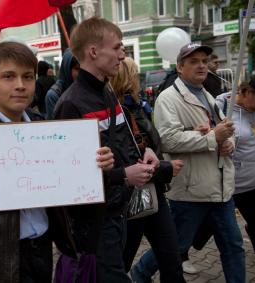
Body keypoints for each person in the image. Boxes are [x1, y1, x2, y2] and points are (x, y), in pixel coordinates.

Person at [0, 41, 114, 282]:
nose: (20, 85)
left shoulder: (42, 126)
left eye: (27, 77)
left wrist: (96, 165)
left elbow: (65, 179)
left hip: (42, 245)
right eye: (8, 76)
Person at [54, 17, 161, 282]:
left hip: (119, 208)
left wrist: (143, 152)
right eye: (116, 48)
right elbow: (69, 177)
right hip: (94, 219)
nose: (122, 55)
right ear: (93, 51)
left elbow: (123, 141)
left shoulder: (108, 92)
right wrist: (124, 175)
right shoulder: (71, 104)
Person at [133, 42, 245, 283]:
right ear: (180, 67)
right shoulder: (168, 99)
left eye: (204, 61)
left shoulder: (208, 96)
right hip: (191, 193)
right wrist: (212, 137)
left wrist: (228, 143)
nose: (202, 65)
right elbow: (169, 140)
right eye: (194, 61)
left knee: (234, 247)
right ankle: (139, 274)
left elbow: (224, 130)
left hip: (221, 190)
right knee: (174, 246)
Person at [109, 57, 185, 282]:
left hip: (154, 196)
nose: (139, 81)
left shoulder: (138, 106)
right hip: (131, 199)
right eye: (135, 75)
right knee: (120, 263)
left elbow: (149, 147)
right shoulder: (119, 112)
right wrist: (166, 168)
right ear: (126, 78)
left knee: (172, 258)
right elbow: (131, 161)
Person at [214, 74, 255, 283]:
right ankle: (152, 267)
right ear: (246, 92)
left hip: (253, 185)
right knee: (190, 235)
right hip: (225, 186)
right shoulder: (221, 106)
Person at [45, 48, 79, 119]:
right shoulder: (54, 95)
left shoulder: (85, 89)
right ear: (67, 69)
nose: (81, 73)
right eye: (77, 69)